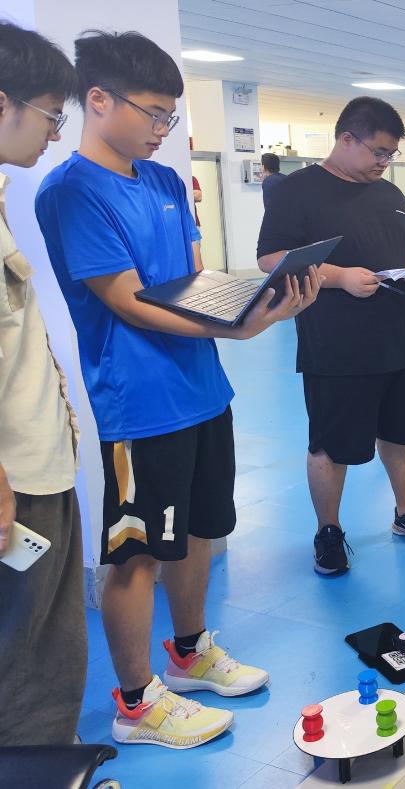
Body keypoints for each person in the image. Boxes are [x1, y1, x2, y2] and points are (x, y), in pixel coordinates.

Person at [36, 30, 321, 750]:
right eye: (154, 113)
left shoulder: (164, 181)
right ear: (99, 100)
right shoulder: (70, 191)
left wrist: (258, 304)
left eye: (171, 115)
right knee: (136, 552)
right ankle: (136, 703)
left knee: (199, 529)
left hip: (203, 389)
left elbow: (195, 280)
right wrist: (236, 329)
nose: (165, 129)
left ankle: (189, 654)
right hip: (139, 403)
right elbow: (128, 301)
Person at [257, 96, 405, 575]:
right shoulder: (297, 191)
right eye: (378, 152)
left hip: (400, 337)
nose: (385, 162)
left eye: (391, 154)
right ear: (346, 139)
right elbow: (270, 259)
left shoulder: (389, 193)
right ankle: (328, 530)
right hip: (335, 345)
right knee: (331, 444)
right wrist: (339, 277)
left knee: (402, 435)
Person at [0, 21, 85, 748]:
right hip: (14, 482)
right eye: (52, 115)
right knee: (24, 654)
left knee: (47, 644)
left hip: (38, 465)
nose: (55, 134)